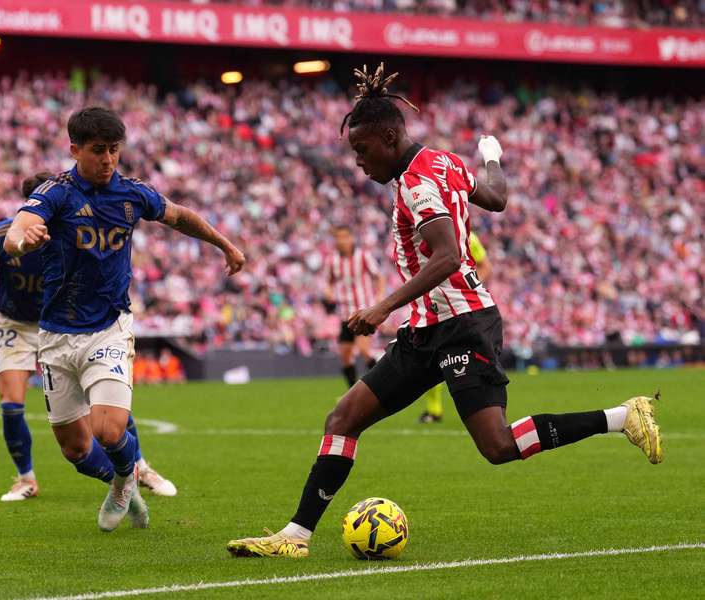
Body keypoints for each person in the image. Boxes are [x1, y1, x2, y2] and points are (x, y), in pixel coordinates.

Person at [227, 64, 662, 558]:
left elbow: (450, 254)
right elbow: (495, 196)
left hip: (463, 326)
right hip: (427, 328)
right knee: (343, 418)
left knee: (498, 446)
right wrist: (491, 156)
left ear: (390, 136)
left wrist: (382, 306)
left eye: (361, 150)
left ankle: (622, 416)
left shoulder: (417, 182)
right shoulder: (445, 163)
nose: (358, 162)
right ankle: (295, 537)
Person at [3, 107, 244, 531]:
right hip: (57, 335)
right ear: (75, 149)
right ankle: (126, 479)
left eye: (115, 150)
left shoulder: (132, 194)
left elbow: (180, 215)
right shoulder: (55, 193)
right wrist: (25, 242)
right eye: (99, 151)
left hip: (108, 329)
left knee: (109, 431)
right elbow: (15, 233)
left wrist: (225, 245)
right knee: (75, 451)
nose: (109, 160)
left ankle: (125, 478)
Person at [0, 172, 177, 502]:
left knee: (102, 404)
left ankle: (139, 467)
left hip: (64, 327)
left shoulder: (73, 232)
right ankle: (26, 480)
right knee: (11, 404)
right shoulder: (4, 235)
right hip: (16, 324)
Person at [418, 231, 491, 424]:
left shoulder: (469, 237)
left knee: (466, 360)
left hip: (464, 308)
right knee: (432, 358)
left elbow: (484, 265)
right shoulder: (424, 234)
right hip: (435, 307)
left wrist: (469, 289)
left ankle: (484, 409)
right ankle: (434, 410)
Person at [324, 225, 384, 387]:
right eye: (338, 237)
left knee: (364, 350)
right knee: (345, 356)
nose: (341, 241)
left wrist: (379, 295)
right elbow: (329, 281)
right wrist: (328, 291)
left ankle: (381, 386)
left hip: (363, 311)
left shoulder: (363, 256)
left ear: (351, 238)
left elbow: (378, 277)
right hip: (345, 313)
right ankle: (352, 393)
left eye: (344, 237)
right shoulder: (332, 260)